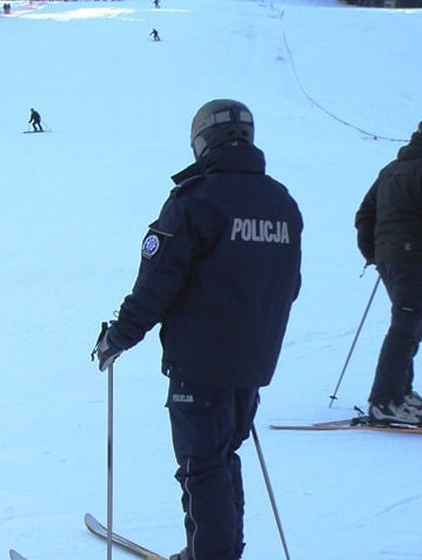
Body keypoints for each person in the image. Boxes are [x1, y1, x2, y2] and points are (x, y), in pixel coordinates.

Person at [92, 99, 302, 560]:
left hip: (200, 363)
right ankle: (220, 550)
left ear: (201, 142)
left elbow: (157, 284)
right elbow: (290, 285)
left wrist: (118, 337)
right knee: (222, 458)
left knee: (202, 466)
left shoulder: (195, 200)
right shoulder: (281, 202)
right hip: (252, 362)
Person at [354, 115, 422, 424]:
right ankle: (384, 401)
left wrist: (374, 253)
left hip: (391, 260)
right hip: (416, 259)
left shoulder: (391, 170)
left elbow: (364, 214)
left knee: (409, 322)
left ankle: (401, 391)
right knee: (406, 327)